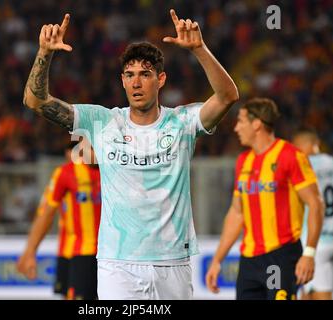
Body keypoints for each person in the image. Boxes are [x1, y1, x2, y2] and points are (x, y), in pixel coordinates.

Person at [22, 9, 239, 300]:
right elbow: (35, 101)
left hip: (172, 260)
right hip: (118, 264)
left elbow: (228, 96)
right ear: (122, 80)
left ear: (160, 79)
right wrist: (44, 53)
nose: (136, 83)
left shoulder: (182, 122)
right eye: (130, 75)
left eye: (145, 75)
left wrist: (199, 49)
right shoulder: (102, 122)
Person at [205, 98, 325, 300]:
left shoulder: (290, 156)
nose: (236, 128)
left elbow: (315, 204)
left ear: (257, 123)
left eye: (241, 121)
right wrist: (217, 259)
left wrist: (310, 253)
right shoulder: (243, 161)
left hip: (280, 256)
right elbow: (237, 213)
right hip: (249, 261)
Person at [17, 139, 101, 300]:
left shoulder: (117, 169)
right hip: (78, 252)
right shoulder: (66, 173)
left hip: (113, 255)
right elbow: (45, 213)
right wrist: (30, 252)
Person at [292, 128, 333, 300]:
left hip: (313, 243)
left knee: (321, 295)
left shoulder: (302, 166)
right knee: (307, 293)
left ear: (305, 145)